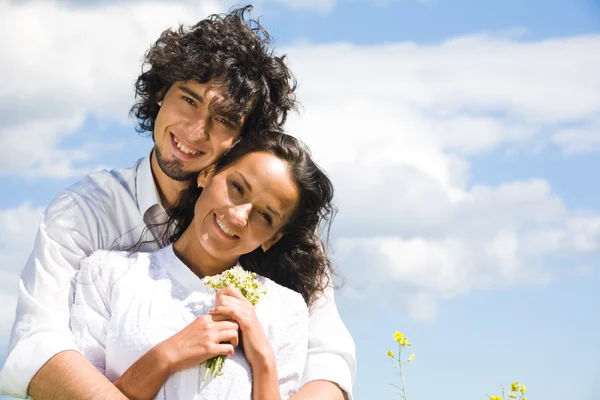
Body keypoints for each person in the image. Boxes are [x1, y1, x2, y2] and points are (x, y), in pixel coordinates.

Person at [0, 5, 355, 400]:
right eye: (188, 100)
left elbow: (327, 363)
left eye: (224, 120)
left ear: (243, 141)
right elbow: (40, 345)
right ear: (159, 93)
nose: (195, 130)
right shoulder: (85, 212)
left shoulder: (288, 245)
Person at [71, 131, 334, 400]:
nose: (239, 216)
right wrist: (167, 355)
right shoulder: (109, 274)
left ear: (273, 238)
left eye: (265, 215)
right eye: (238, 188)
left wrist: (263, 361)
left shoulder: (284, 309)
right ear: (206, 174)